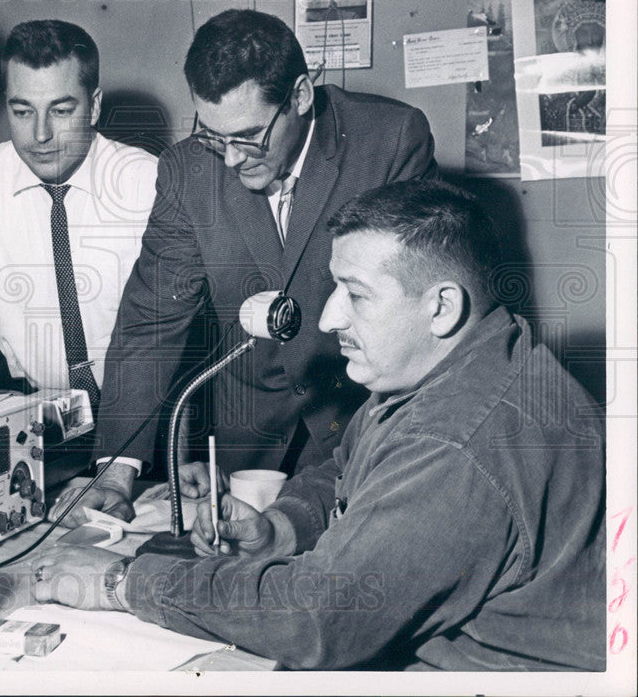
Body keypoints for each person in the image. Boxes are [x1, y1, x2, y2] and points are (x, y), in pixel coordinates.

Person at [31, 180, 606, 671]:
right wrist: (280, 527)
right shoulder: (472, 361)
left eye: (355, 295)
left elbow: (319, 617)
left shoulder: (456, 440)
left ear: (441, 307)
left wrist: (122, 582)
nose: (330, 318)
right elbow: (344, 464)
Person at [57, 9, 437, 526]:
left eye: (249, 137)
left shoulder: (388, 141)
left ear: (300, 96)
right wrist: (116, 470)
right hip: (248, 450)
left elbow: (414, 310)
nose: (231, 160)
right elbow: (150, 322)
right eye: (214, 137)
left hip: (362, 428)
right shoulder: (189, 172)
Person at [0, 20, 157, 410]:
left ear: (94, 105)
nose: (40, 135)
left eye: (61, 111)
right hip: (34, 410)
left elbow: (173, 336)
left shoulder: (146, 182)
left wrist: (177, 460)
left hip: (138, 409)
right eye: (22, 111)